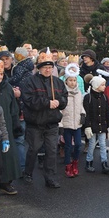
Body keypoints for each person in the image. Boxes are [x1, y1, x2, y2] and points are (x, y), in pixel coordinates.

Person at [21, 50, 68, 188]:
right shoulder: (29, 81)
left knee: (51, 151)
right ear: (39, 67)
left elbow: (64, 98)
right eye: (45, 67)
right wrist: (47, 103)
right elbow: (28, 100)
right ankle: (28, 172)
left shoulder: (58, 82)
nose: (48, 70)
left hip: (52, 123)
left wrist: (60, 102)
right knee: (34, 149)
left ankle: (50, 178)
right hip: (35, 123)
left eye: (50, 67)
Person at [0, 61, 21, 195]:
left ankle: (6, 182)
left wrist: (16, 124)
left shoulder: (8, 87)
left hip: (6, 125)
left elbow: (14, 108)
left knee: (7, 155)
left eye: (1, 73)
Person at [83, 76, 109, 174]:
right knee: (92, 144)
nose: (104, 86)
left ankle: (104, 163)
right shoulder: (88, 97)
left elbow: (107, 112)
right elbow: (86, 113)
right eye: (102, 85)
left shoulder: (104, 97)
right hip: (92, 125)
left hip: (102, 125)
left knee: (103, 145)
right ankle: (89, 162)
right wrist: (87, 126)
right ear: (96, 85)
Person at [59, 70, 85, 178]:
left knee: (78, 145)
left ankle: (75, 163)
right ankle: (68, 165)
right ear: (66, 81)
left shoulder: (79, 92)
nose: (73, 82)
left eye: (74, 80)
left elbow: (81, 105)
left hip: (77, 123)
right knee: (68, 146)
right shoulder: (63, 94)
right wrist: (60, 124)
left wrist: (83, 114)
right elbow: (60, 110)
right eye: (70, 80)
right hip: (66, 123)